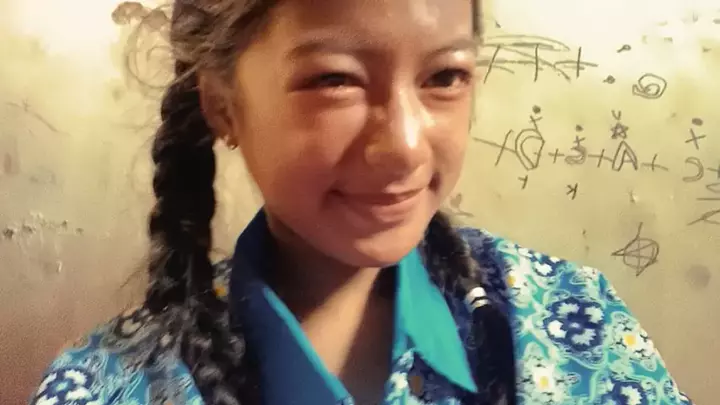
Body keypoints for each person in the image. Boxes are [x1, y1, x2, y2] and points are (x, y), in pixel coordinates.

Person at [29, 0, 693, 404]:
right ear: (223, 104)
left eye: (445, 76)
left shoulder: (576, 329)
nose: (404, 146)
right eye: (335, 80)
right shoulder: (104, 386)